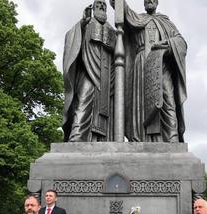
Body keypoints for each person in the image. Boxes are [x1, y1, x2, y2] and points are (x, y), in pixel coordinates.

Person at [110, 0, 187, 142]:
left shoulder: (165, 21)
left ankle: (172, 139)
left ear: (157, 2)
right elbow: (124, 10)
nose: (149, 1)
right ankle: (140, 139)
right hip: (142, 64)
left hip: (161, 63)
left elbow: (181, 42)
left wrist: (167, 43)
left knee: (167, 99)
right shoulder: (138, 18)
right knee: (140, 101)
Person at [63, 0, 116, 142]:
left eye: (104, 6)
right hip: (88, 70)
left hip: (107, 74)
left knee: (106, 108)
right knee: (84, 102)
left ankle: (102, 140)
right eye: (98, 5)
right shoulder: (86, 24)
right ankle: (76, 138)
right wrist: (82, 23)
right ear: (93, 8)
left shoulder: (112, 31)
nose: (102, 7)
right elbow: (71, 39)